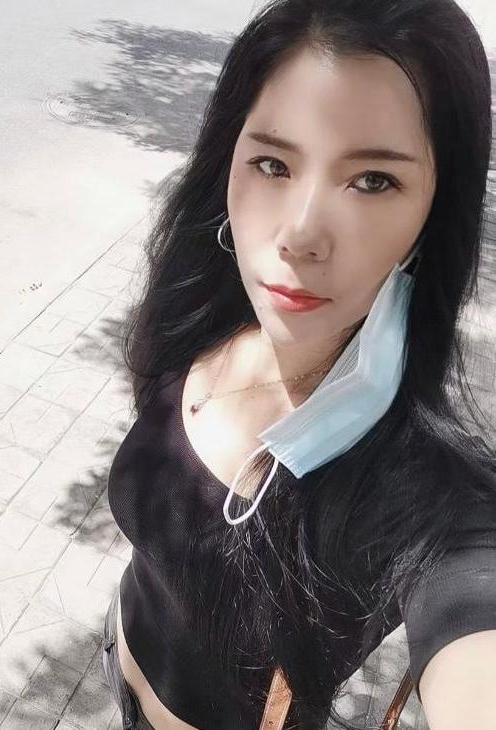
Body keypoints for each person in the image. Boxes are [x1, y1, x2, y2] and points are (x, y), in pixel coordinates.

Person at [101, 0, 496, 728]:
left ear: (433, 214)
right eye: (273, 163)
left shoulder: (426, 490)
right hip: (116, 662)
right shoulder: (194, 318)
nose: (300, 234)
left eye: (373, 180)